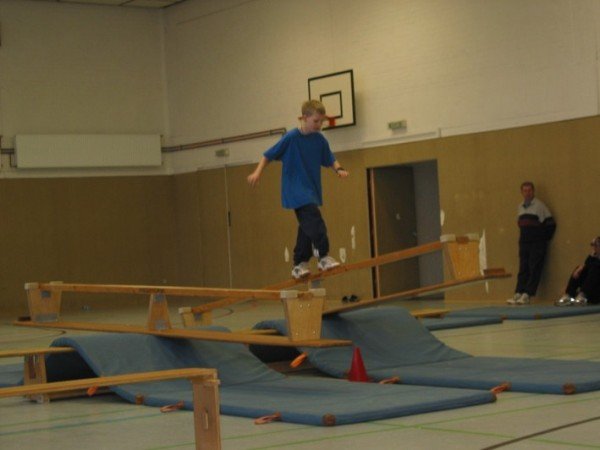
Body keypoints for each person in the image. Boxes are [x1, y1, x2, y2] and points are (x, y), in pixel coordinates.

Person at [247, 99, 349, 279]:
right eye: (316, 121)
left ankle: (299, 264)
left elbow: (330, 158)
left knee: (306, 227)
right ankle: (323, 256)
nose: (319, 125)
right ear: (304, 118)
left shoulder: (319, 140)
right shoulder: (292, 137)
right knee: (315, 221)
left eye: (321, 121)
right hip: (296, 191)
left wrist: (339, 169)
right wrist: (257, 172)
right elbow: (268, 155)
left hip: (311, 190)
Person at [507, 181, 556, 305]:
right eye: (525, 191)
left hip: (537, 243)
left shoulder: (540, 206)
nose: (527, 193)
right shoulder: (520, 207)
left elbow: (551, 223)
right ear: (522, 193)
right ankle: (519, 292)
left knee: (534, 268)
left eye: (529, 190)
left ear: (533, 192)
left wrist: (542, 239)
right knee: (523, 267)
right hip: (524, 242)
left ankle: (527, 294)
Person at [555, 237, 600, 306]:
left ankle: (583, 294)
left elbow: (595, 266)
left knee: (595, 269)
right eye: (593, 245)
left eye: (596, 245)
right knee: (580, 268)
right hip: (591, 290)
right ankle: (569, 295)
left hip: (597, 292)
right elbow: (587, 265)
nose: (594, 248)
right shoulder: (593, 257)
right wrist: (580, 268)